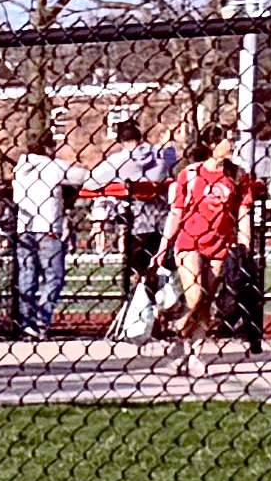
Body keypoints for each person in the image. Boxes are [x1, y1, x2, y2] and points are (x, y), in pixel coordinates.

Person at [165, 131, 251, 370]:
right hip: (189, 240)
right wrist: (165, 245)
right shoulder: (191, 174)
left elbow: (243, 211)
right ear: (212, 144)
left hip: (220, 243)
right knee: (195, 296)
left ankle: (194, 353)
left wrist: (245, 243)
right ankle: (179, 332)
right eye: (227, 139)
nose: (231, 144)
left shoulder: (237, 175)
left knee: (207, 302)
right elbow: (177, 212)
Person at [90, 110, 177, 330]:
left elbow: (92, 182)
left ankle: (143, 312)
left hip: (135, 223)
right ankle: (156, 310)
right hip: (161, 221)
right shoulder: (159, 155)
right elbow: (170, 159)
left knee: (138, 269)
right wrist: (165, 145)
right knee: (159, 267)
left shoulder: (118, 161)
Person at [9, 131, 76, 336]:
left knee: (27, 275)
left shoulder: (20, 169)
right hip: (48, 227)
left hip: (25, 227)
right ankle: (41, 320)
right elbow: (84, 175)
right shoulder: (52, 167)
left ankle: (26, 322)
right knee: (53, 276)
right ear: (48, 148)